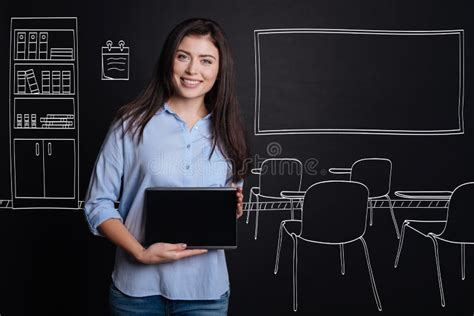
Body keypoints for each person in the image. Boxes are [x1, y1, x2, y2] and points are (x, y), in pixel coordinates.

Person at [83, 18, 250, 315]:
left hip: (205, 293)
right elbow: (98, 204)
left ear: (219, 70)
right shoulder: (130, 124)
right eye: (183, 56)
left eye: (206, 60)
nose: (192, 70)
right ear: (169, 59)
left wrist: (232, 206)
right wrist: (140, 253)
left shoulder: (230, 132)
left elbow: (226, 207)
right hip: (135, 292)